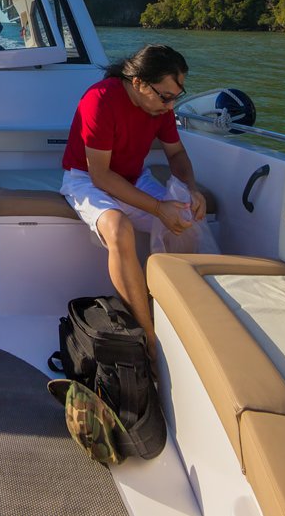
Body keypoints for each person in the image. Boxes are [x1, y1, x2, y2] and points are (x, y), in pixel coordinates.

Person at [61, 44, 210, 349]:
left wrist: (192, 189)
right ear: (139, 83)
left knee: (184, 220)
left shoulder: (159, 107)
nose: (170, 107)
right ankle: (147, 335)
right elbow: (101, 176)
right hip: (85, 179)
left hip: (134, 178)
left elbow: (177, 153)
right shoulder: (100, 100)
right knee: (119, 229)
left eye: (175, 98)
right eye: (166, 97)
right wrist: (158, 208)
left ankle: (180, 310)